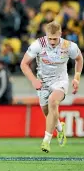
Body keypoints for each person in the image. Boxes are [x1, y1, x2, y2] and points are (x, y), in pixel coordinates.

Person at [20, 21, 83, 153]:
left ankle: (46, 141)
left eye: (55, 39)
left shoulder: (68, 46)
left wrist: (76, 77)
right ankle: (60, 128)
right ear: (46, 35)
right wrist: (33, 80)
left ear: (60, 34)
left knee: (53, 101)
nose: (52, 42)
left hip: (60, 81)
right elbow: (24, 64)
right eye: (50, 38)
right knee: (48, 112)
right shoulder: (38, 44)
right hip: (42, 82)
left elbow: (79, 59)